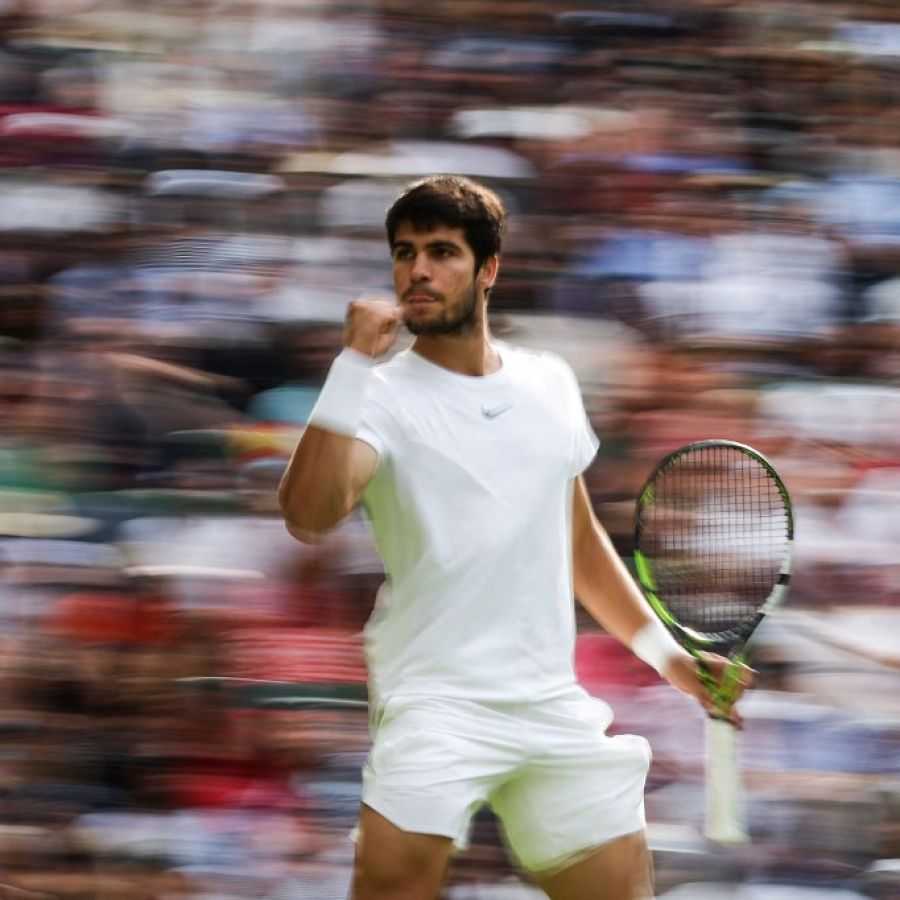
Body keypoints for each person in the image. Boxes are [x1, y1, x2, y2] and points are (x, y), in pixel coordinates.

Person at [278, 175, 751, 900]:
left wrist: (670, 658)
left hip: (550, 704)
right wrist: (349, 368)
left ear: (489, 270)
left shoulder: (550, 381)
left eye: (442, 252)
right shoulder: (375, 397)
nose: (418, 272)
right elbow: (309, 515)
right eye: (405, 254)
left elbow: (579, 542)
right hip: (436, 705)